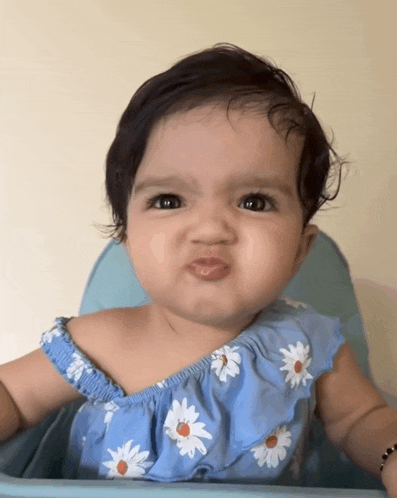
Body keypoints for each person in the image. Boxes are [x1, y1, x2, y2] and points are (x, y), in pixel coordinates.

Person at [1, 43, 397, 494]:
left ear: (300, 251)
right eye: (168, 200)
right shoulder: (100, 341)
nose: (210, 229)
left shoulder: (309, 343)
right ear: (128, 239)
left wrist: (390, 453)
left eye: (255, 201)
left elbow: (363, 419)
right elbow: (12, 395)